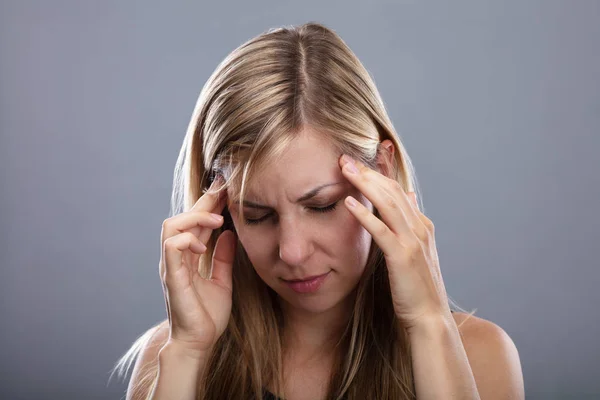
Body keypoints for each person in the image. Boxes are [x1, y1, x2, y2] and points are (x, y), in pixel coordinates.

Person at [111, 22, 524, 400]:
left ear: (381, 173)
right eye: (257, 215)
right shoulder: (169, 357)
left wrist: (429, 323)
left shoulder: (480, 358)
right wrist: (188, 353)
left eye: (321, 206)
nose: (291, 251)